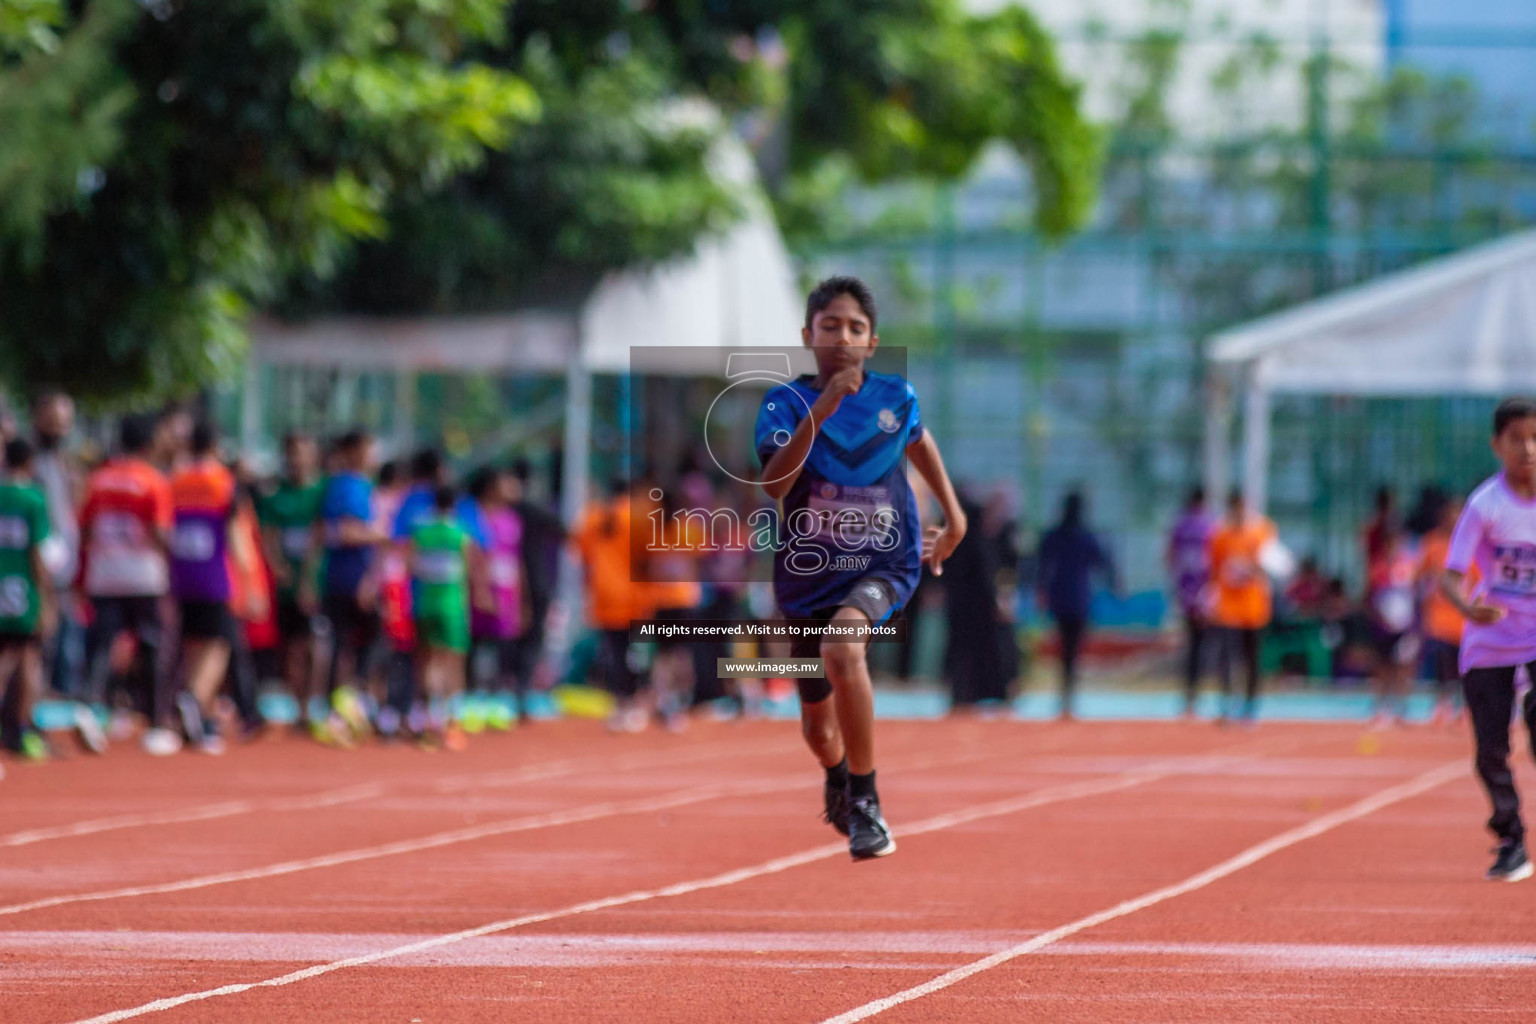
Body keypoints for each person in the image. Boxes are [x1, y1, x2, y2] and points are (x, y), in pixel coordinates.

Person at [756, 275, 966, 860]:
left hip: (883, 560)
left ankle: (868, 802)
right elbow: (775, 485)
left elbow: (919, 442)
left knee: (844, 649)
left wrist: (955, 516)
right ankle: (841, 774)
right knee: (818, 733)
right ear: (808, 336)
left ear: (872, 342)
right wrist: (822, 410)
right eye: (830, 326)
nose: (842, 338)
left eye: (855, 328)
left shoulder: (895, 396)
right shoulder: (783, 403)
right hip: (808, 576)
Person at [1438, 397, 1536, 882]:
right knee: (1490, 749)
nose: (1529, 449)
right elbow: (1451, 577)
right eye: (1517, 439)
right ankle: (1511, 838)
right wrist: (1467, 607)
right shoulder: (1486, 505)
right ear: (1497, 445)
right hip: (1491, 637)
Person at [79, 414, 179, 754]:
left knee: (102, 644)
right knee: (152, 647)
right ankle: (155, 725)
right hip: (143, 576)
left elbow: (86, 528)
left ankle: (90, 708)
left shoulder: (99, 479)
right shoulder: (154, 481)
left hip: (104, 573)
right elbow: (161, 533)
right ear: (149, 443)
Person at [167, 421, 252, 754]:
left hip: (182, 571)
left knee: (191, 645)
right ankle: (194, 699)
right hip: (214, 574)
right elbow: (236, 535)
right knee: (219, 644)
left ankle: (196, 717)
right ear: (216, 445)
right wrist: (247, 578)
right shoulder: (224, 483)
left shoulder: (176, 481)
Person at [307, 428, 383, 745]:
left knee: (345, 644)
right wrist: (383, 536)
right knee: (368, 640)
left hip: (345, 576)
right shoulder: (350, 487)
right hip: (350, 577)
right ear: (354, 452)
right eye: (370, 449)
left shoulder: (352, 486)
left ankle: (341, 705)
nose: (374, 456)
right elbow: (344, 532)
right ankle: (345, 702)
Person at [256, 434, 324, 729]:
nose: (298, 460)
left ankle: (314, 703)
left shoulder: (321, 492)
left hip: (316, 582)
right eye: (293, 454)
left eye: (303, 453)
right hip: (285, 583)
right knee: (291, 648)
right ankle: (297, 707)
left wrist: (309, 579)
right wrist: (277, 566)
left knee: (316, 644)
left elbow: (319, 536)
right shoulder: (275, 496)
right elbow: (268, 534)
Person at [573, 479, 649, 733]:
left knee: (615, 653)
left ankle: (619, 704)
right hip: (631, 596)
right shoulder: (636, 518)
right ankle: (633, 703)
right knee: (632, 653)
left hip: (603, 594)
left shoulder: (594, 517)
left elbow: (582, 555)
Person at [407, 485, 477, 751]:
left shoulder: (421, 532)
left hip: (424, 604)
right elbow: (469, 570)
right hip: (451, 607)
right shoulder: (459, 534)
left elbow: (409, 565)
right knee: (453, 663)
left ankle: (428, 720)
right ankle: (452, 724)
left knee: (427, 661)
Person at [1037, 491, 1116, 722]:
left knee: (1064, 649)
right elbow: (1102, 563)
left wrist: (1040, 592)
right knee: (1072, 650)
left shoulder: (1054, 535)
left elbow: (1041, 566)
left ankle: (1064, 697)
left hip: (1059, 596)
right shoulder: (1086, 536)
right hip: (1079, 598)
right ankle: (1068, 697)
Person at [0, 439, 56, 762]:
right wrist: (46, 597)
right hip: (22, 590)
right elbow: (38, 552)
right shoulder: (34, 500)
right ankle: (20, 730)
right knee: (26, 657)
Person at [1207, 488, 1281, 726]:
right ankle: (1227, 704)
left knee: (1252, 660)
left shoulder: (1262, 532)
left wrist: (1250, 569)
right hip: (1229, 609)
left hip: (1254, 607)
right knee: (1228, 658)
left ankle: (1250, 707)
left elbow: (1273, 565)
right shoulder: (1220, 536)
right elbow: (1215, 569)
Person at [467, 467, 526, 729]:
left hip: (507, 593)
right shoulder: (474, 516)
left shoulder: (513, 519)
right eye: (505, 482)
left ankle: (496, 701)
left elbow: (517, 561)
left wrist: (524, 600)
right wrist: (479, 589)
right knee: (476, 645)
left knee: (503, 646)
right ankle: (471, 700)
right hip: (479, 590)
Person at [1418, 495, 1470, 727]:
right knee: (1441, 663)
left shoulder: (1471, 544)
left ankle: (1465, 705)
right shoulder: (1432, 543)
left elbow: (1478, 579)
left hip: (1464, 619)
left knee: (1466, 668)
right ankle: (1443, 704)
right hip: (1438, 619)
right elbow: (1418, 576)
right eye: (1452, 513)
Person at [1365, 526, 1420, 729]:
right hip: (1382, 627)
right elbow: (1369, 597)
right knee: (1382, 668)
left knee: (1403, 668)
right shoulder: (1378, 568)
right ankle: (1381, 708)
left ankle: (1401, 709)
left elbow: (1417, 596)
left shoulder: (1411, 567)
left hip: (1405, 626)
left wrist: (1415, 625)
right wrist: (1379, 619)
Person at [1166, 487, 1214, 717]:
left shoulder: (1180, 526)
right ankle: (1195, 696)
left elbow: (1170, 557)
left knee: (1192, 645)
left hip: (1186, 590)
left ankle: (1190, 696)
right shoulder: (1210, 526)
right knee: (1201, 645)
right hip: (1205, 591)